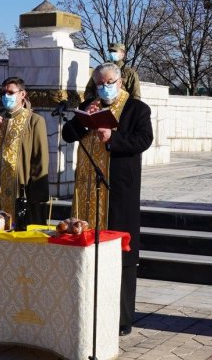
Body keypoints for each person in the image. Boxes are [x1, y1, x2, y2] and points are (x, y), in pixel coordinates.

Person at [62, 62, 152, 336]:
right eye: (100, 82)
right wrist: (81, 119)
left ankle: (121, 318)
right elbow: (68, 135)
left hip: (117, 191)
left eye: (109, 82)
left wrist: (113, 138)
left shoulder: (137, 108)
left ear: (121, 82)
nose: (104, 87)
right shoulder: (90, 103)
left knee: (119, 253)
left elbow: (143, 140)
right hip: (87, 191)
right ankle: (84, 309)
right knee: (85, 250)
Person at [0, 76, 49, 227]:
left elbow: (40, 159)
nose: (6, 97)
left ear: (22, 94)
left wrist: (37, 197)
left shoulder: (35, 120)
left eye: (10, 93)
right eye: (3, 93)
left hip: (19, 189)